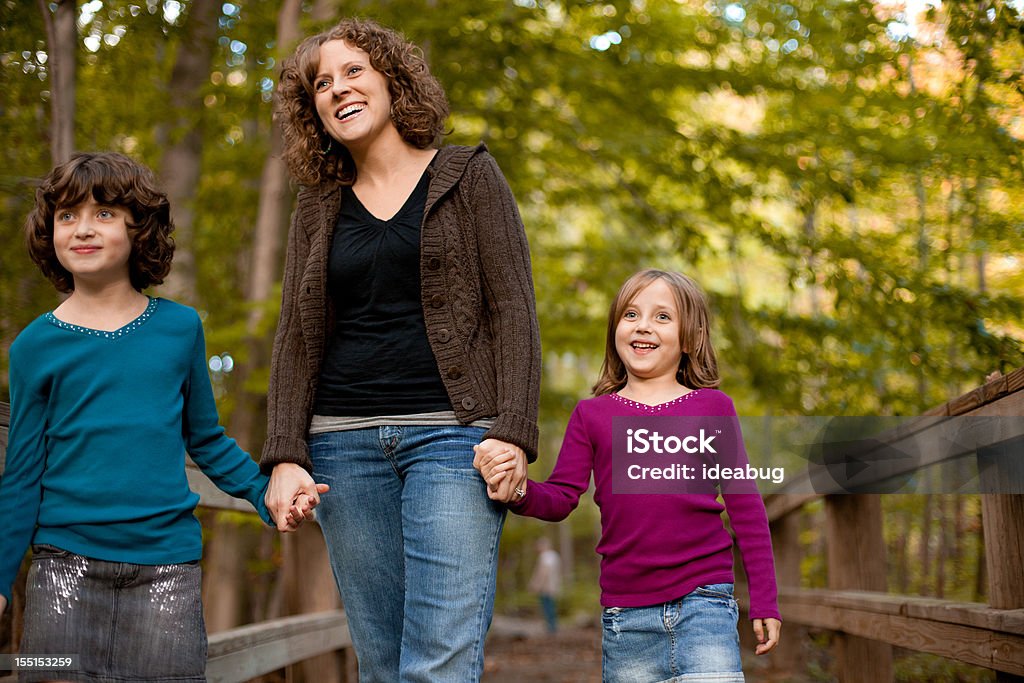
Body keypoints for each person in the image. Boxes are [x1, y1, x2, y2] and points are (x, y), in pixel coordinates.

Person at [259, 17, 541, 682]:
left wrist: (514, 432)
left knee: (439, 661)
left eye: (354, 70)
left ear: (393, 80)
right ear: (314, 110)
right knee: (383, 663)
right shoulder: (317, 205)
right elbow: (295, 335)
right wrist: (285, 454)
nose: (338, 88)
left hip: (454, 439)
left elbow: (514, 309)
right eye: (322, 83)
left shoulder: (469, 175)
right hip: (341, 447)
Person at [0, 152, 321, 683]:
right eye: (66, 215)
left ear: (137, 228)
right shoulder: (36, 345)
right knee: (42, 671)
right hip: (63, 570)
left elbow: (207, 438)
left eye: (103, 214)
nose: (83, 228)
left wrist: (266, 493)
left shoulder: (179, 328)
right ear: (49, 232)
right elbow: (22, 473)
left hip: (166, 574)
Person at [476, 269, 781, 683]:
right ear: (615, 329)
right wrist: (519, 490)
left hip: (705, 600)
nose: (643, 326)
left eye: (662, 317)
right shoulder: (592, 415)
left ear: (689, 338)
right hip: (626, 615)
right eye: (631, 314)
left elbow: (746, 508)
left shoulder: (713, 408)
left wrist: (764, 600)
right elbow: (563, 496)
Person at [528, 537, 562, 633]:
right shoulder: (554, 555)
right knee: (550, 606)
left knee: (547, 607)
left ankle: (551, 628)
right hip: (553, 585)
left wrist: (537, 584)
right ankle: (552, 627)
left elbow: (544, 571)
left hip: (546, 587)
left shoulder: (545, 556)